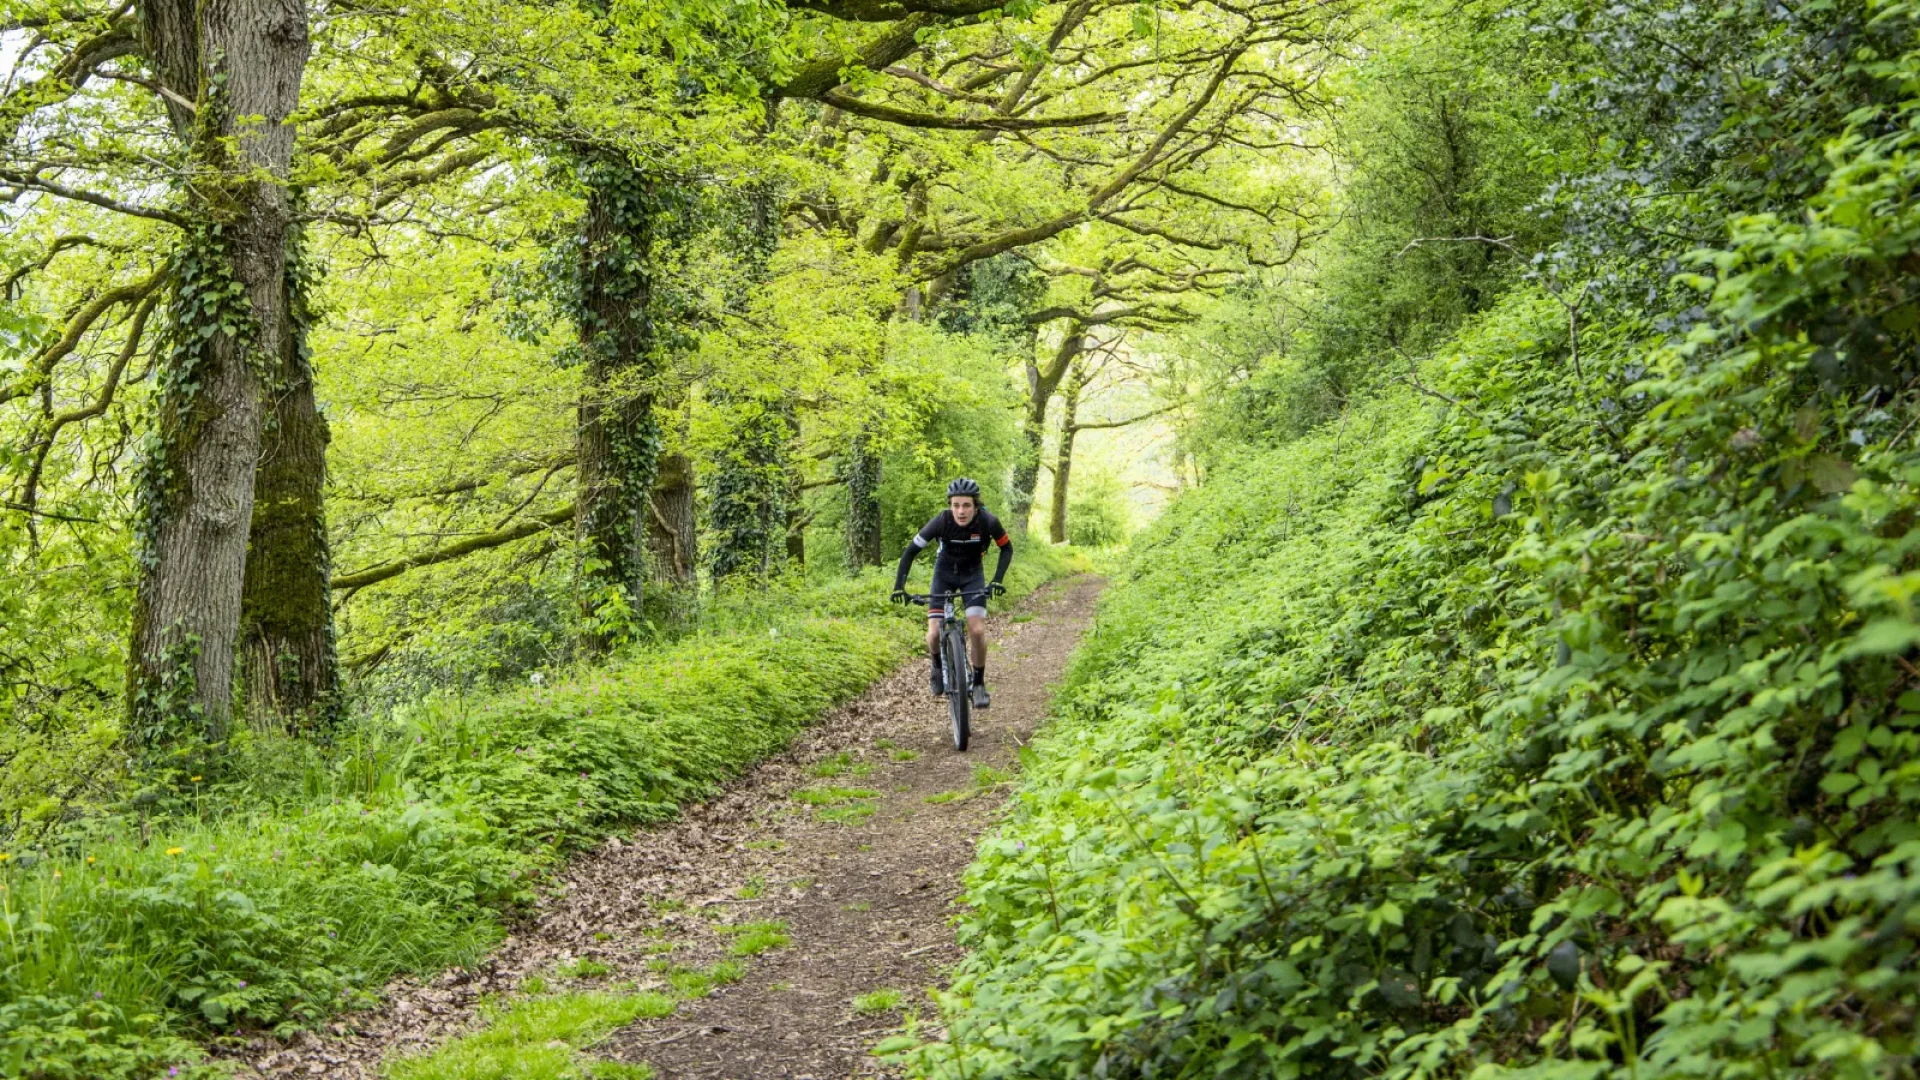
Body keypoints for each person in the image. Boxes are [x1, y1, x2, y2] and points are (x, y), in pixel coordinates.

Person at [891, 477, 1012, 708]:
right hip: (943, 575)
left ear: (976, 506)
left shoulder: (988, 522)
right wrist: (899, 586)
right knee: (934, 633)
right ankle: (936, 665)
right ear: (950, 505)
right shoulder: (941, 521)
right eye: (955, 505)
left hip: (972, 575)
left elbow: (1006, 548)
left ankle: (978, 684)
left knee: (976, 630)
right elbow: (909, 552)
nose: (961, 511)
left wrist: (997, 580)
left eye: (966, 505)